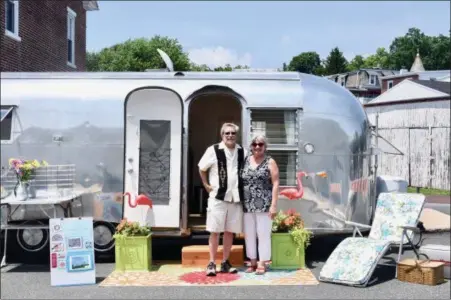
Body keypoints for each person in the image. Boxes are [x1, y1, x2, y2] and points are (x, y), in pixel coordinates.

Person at [198, 123, 246, 276]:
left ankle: (225, 262)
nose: (230, 136)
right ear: (222, 135)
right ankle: (211, 263)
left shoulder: (242, 151)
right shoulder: (213, 150)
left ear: (236, 135)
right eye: (227, 133)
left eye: (232, 133)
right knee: (214, 231)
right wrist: (205, 184)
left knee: (229, 232)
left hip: (235, 198)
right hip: (218, 198)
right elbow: (202, 167)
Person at [241, 134, 280, 275]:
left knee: (263, 234)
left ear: (265, 147)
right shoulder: (245, 160)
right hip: (247, 204)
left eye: (260, 144)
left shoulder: (270, 161)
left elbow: (276, 183)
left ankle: (262, 262)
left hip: (264, 204)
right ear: (251, 146)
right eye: (255, 144)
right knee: (249, 234)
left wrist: (274, 205)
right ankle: (252, 261)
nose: (257, 147)